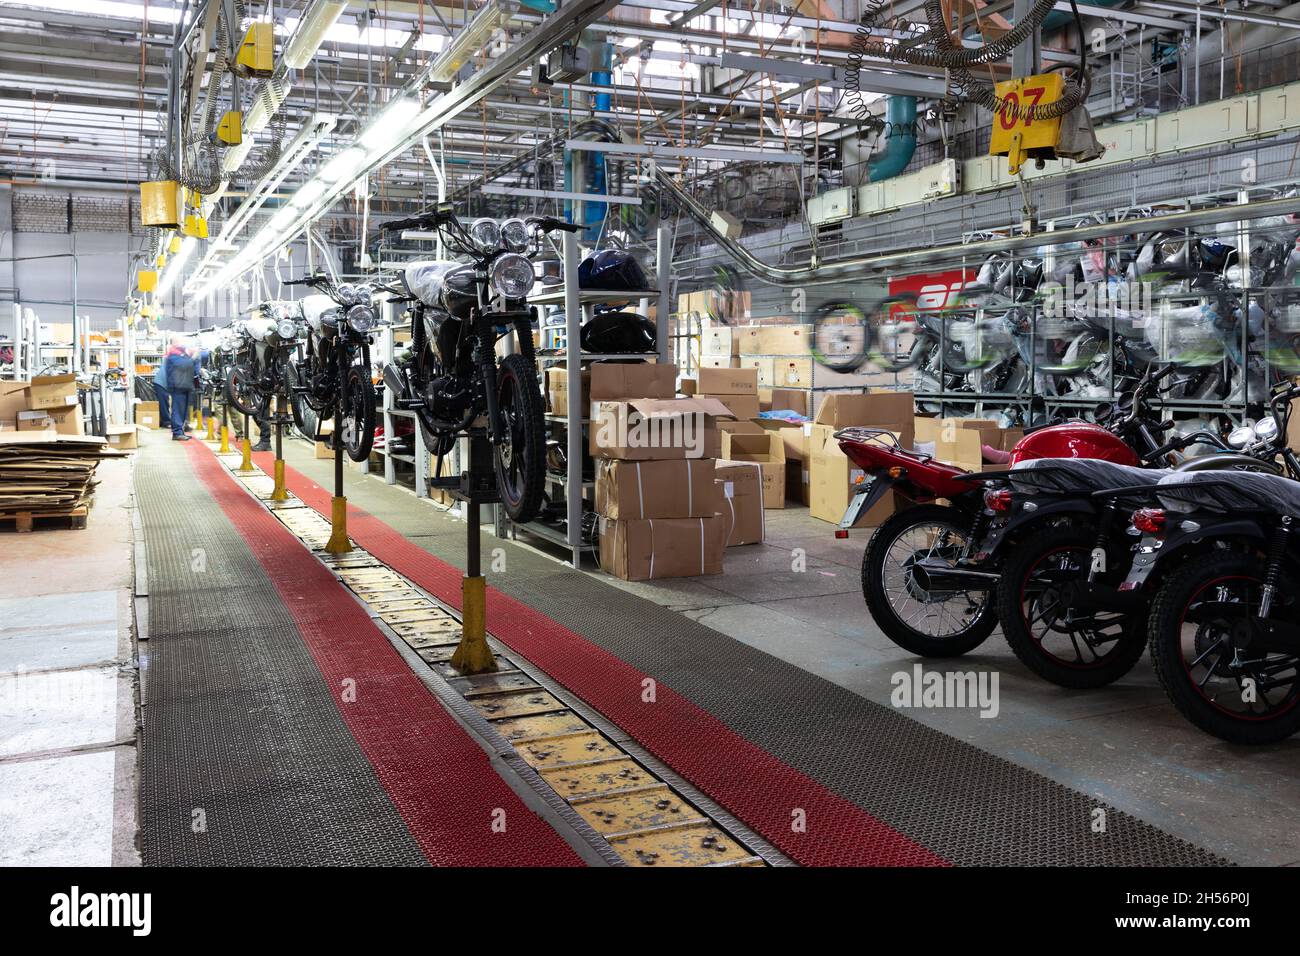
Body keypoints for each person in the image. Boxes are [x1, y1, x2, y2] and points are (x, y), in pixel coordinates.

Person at [163, 340, 197, 440]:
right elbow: (184, 365)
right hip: (178, 387)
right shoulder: (173, 354)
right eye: (178, 341)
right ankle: (177, 433)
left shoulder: (182, 354)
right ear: (174, 343)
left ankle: (180, 431)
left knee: (183, 411)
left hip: (184, 386)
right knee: (177, 410)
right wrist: (193, 357)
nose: (182, 343)